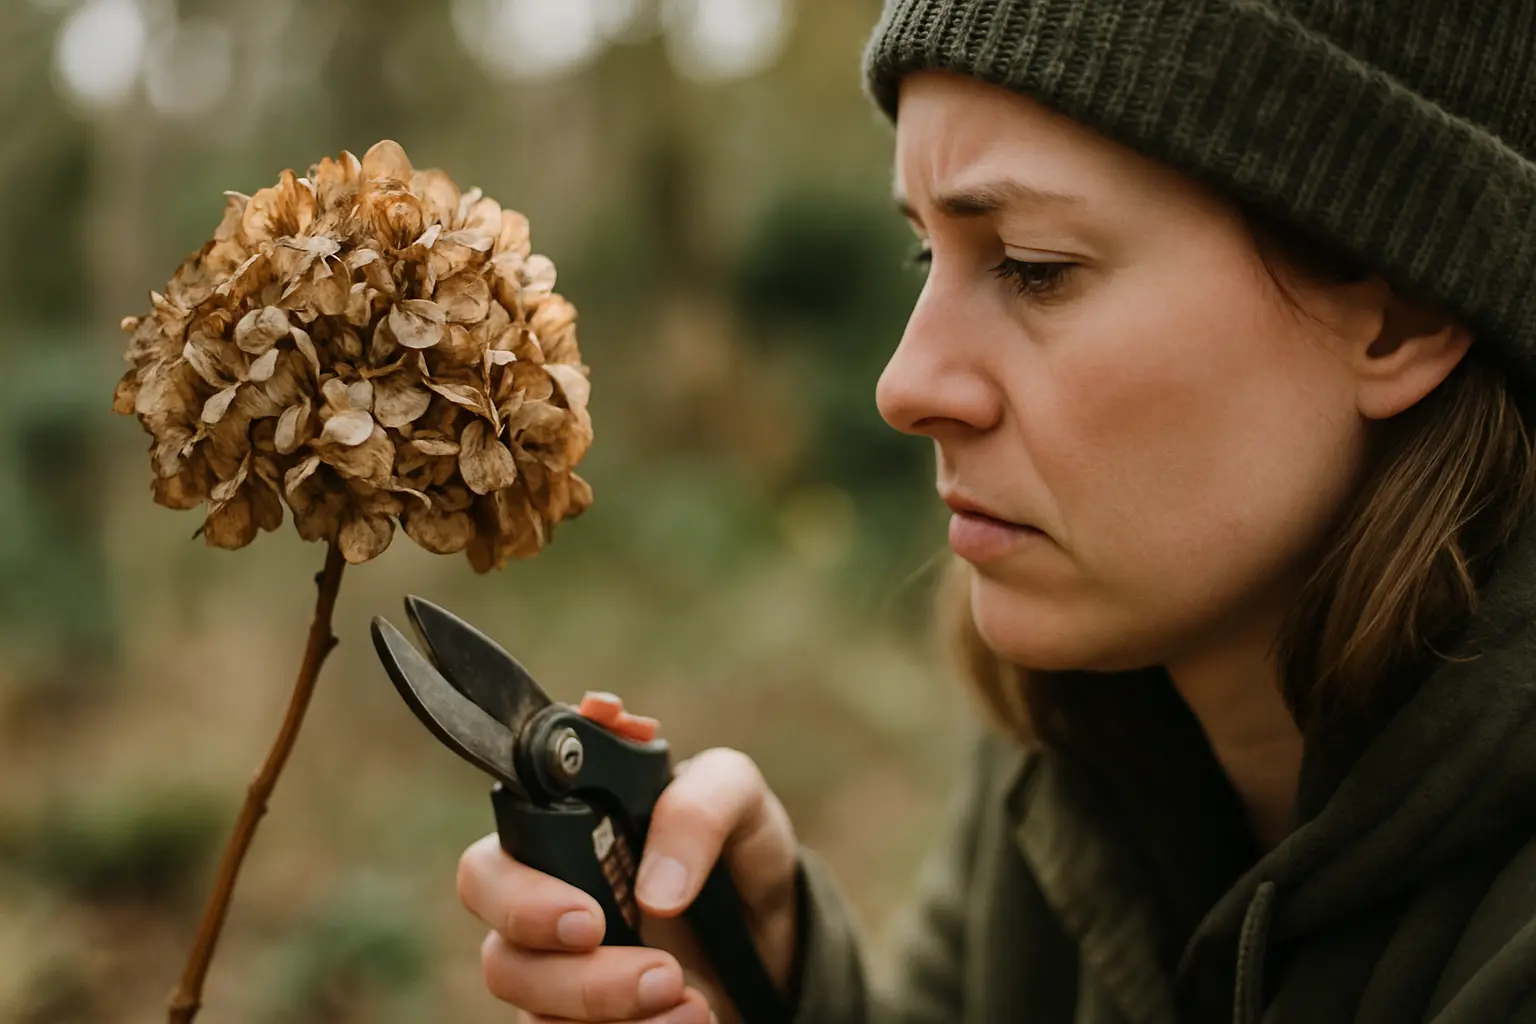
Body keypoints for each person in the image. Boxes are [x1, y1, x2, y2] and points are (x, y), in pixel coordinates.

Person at [454, 1, 1536, 1020]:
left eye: (1034, 267)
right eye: (927, 253)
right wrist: (773, 987)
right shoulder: (1075, 717)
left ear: (1399, 316)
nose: (904, 386)